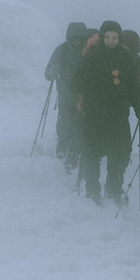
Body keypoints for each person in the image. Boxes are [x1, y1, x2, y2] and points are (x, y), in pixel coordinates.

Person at [73, 20, 140, 205]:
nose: (111, 41)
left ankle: (113, 187)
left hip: (118, 115)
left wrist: (139, 109)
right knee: (92, 152)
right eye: (108, 37)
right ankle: (92, 189)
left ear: (119, 38)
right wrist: (83, 100)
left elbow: (133, 87)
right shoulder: (92, 56)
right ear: (102, 37)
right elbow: (77, 81)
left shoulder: (126, 58)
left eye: (115, 37)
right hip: (94, 115)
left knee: (120, 153)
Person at [46, 22, 90, 170]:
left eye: (79, 38)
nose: (76, 41)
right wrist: (53, 70)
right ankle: (63, 143)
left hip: (83, 97)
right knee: (64, 123)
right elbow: (48, 73)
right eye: (74, 38)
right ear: (68, 37)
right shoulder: (62, 50)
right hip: (65, 96)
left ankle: (74, 151)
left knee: (78, 125)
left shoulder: (89, 50)